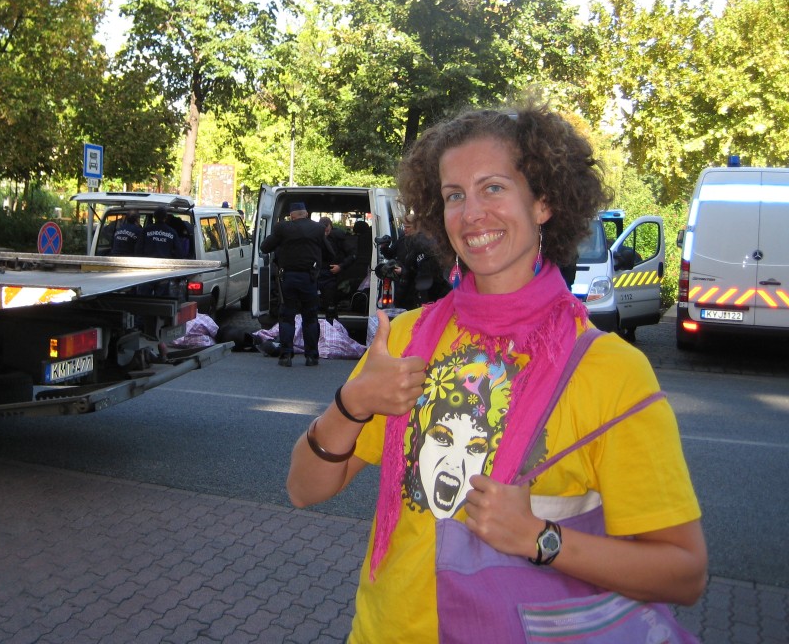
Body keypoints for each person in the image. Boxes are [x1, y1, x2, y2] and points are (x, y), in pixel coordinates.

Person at [286, 104, 707, 642]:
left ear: (545, 201)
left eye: (493, 188)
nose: (471, 214)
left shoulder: (611, 370)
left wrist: (539, 538)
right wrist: (353, 401)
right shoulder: (408, 339)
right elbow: (303, 489)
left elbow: (683, 571)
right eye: (454, 195)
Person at [259, 202, 335, 367]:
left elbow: (264, 247)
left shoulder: (283, 228)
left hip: (288, 278)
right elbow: (330, 253)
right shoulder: (318, 229)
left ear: (292, 216)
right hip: (309, 278)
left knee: (287, 317)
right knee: (310, 317)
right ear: (306, 214)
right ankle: (312, 356)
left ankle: (286, 355)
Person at [380, 214, 449, 309]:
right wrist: (384, 248)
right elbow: (392, 254)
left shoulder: (424, 244)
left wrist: (403, 271)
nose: (405, 229)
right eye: (404, 226)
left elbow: (425, 271)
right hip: (405, 285)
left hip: (418, 290)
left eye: (408, 227)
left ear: (418, 227)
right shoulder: (403, 239)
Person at [317, 216, 357, 323]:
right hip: (316, 274)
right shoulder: (315, 237)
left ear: (331, 227)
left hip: (332, 275)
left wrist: (340, 266)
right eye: (323, 229)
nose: (326, 231)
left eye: (327, 229)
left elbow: (352, 255)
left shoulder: (338, 237)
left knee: (331, 307)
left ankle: (333, 330)